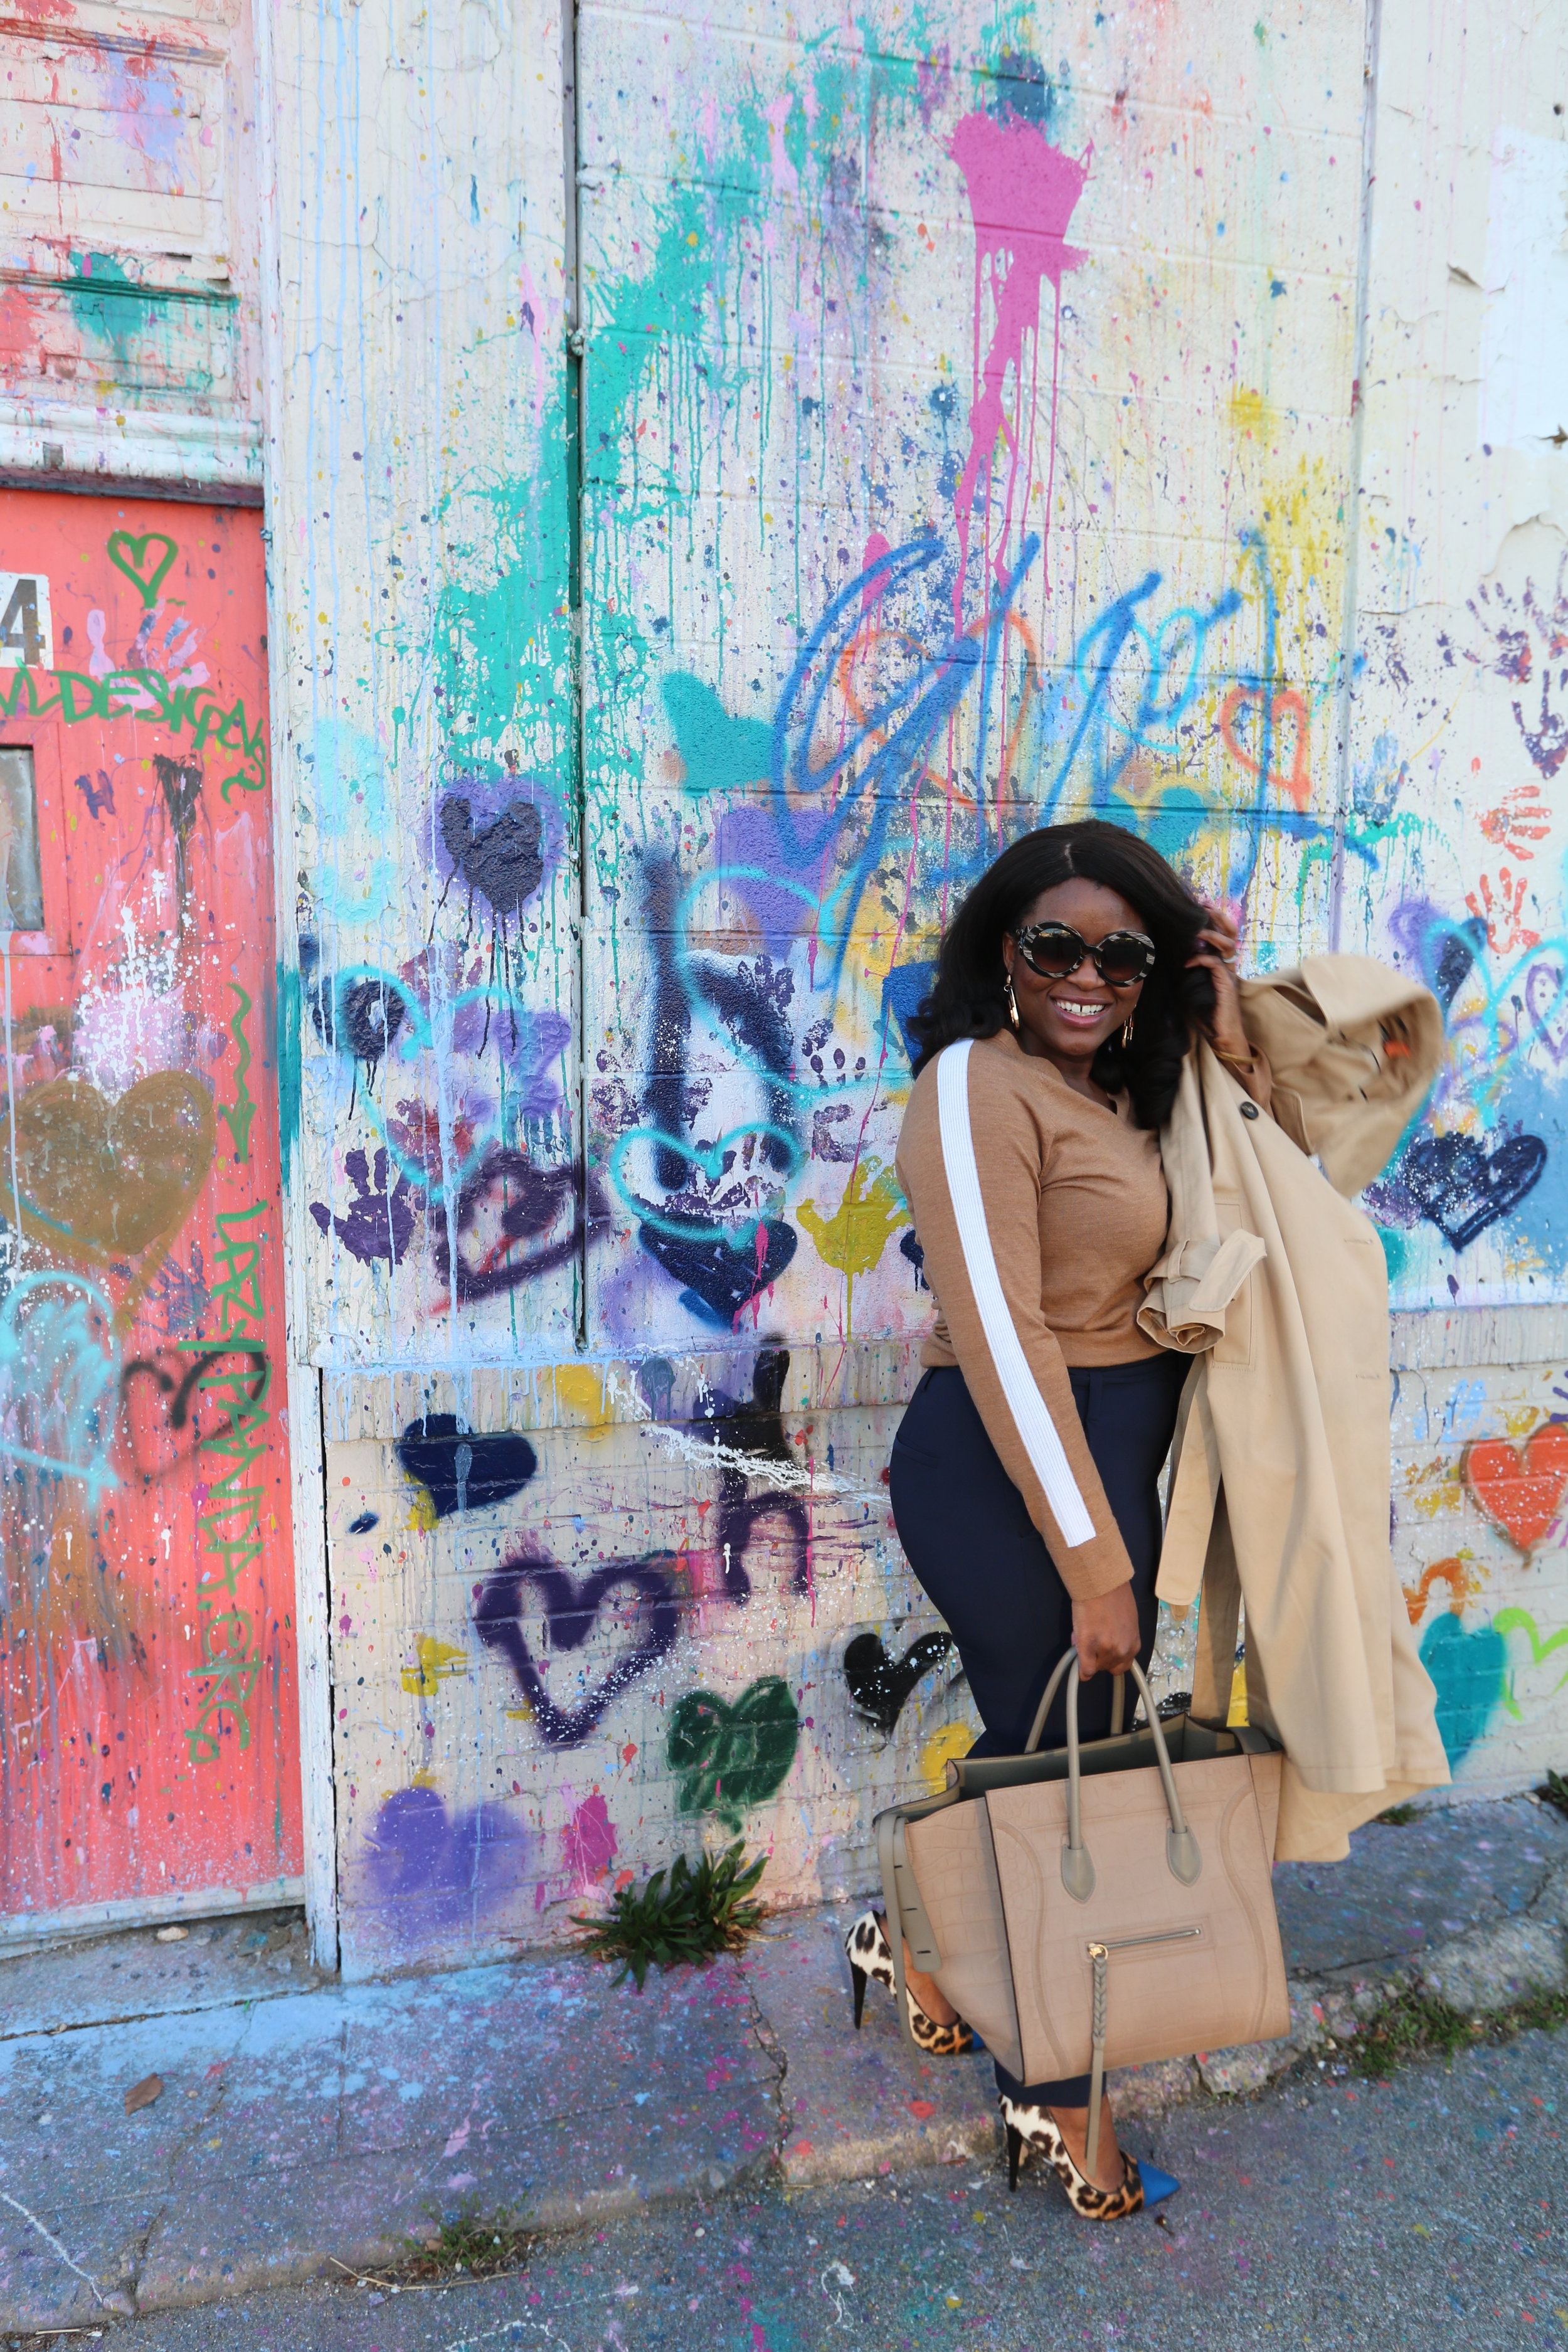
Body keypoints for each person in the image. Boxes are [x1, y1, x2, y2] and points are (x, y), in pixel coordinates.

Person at [842, 819, 1270, 2217]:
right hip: (999, 1467)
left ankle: (911, 1937)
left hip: (1111, 1466)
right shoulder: (974, 1087)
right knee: (1062, 1771)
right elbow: (1004, 1340)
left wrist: (1221, 1019)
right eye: (1056, 946)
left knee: (1055, 1748)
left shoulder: (1136, 1090)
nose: (1087, 976)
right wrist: (1095, 1566)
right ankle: (1056, 2092)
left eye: (1122, 955)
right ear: (1003, 952)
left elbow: (1270, 1186)